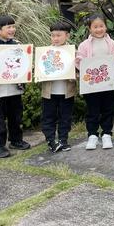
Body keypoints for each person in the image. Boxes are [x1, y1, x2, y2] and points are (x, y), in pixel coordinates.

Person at [0, 15, 31, 158]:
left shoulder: (18, 45)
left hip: (15, 89)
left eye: (13, 26)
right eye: (8, 27)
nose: (12, 29)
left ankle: (16, 140)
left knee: (16, 116)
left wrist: (29, 67)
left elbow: (24, 64)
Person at [76, 13, 114, 150]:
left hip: (107, 83)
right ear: (90, 28)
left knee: (108, 109)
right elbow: (78, 61)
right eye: (95, 27)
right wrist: (83, 63)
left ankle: (107, 134)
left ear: (106, 27)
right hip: (91, 85)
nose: (99, 29)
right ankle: (92, 135)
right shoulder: (84, 45)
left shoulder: (111, 43)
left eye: (101, 26)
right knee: (92, 110)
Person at [41, 21, 76, 153]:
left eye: (59, 35)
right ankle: (51, 140)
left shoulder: (73, 52)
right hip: (49, 92)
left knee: (65, 117)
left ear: (67, 36)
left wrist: (75, 72)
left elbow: (78, 71)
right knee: (48, 117)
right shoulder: (44, 53)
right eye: (53, 35)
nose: (55, 38)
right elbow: (40, 70)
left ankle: (63, 140)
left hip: (67, 92)